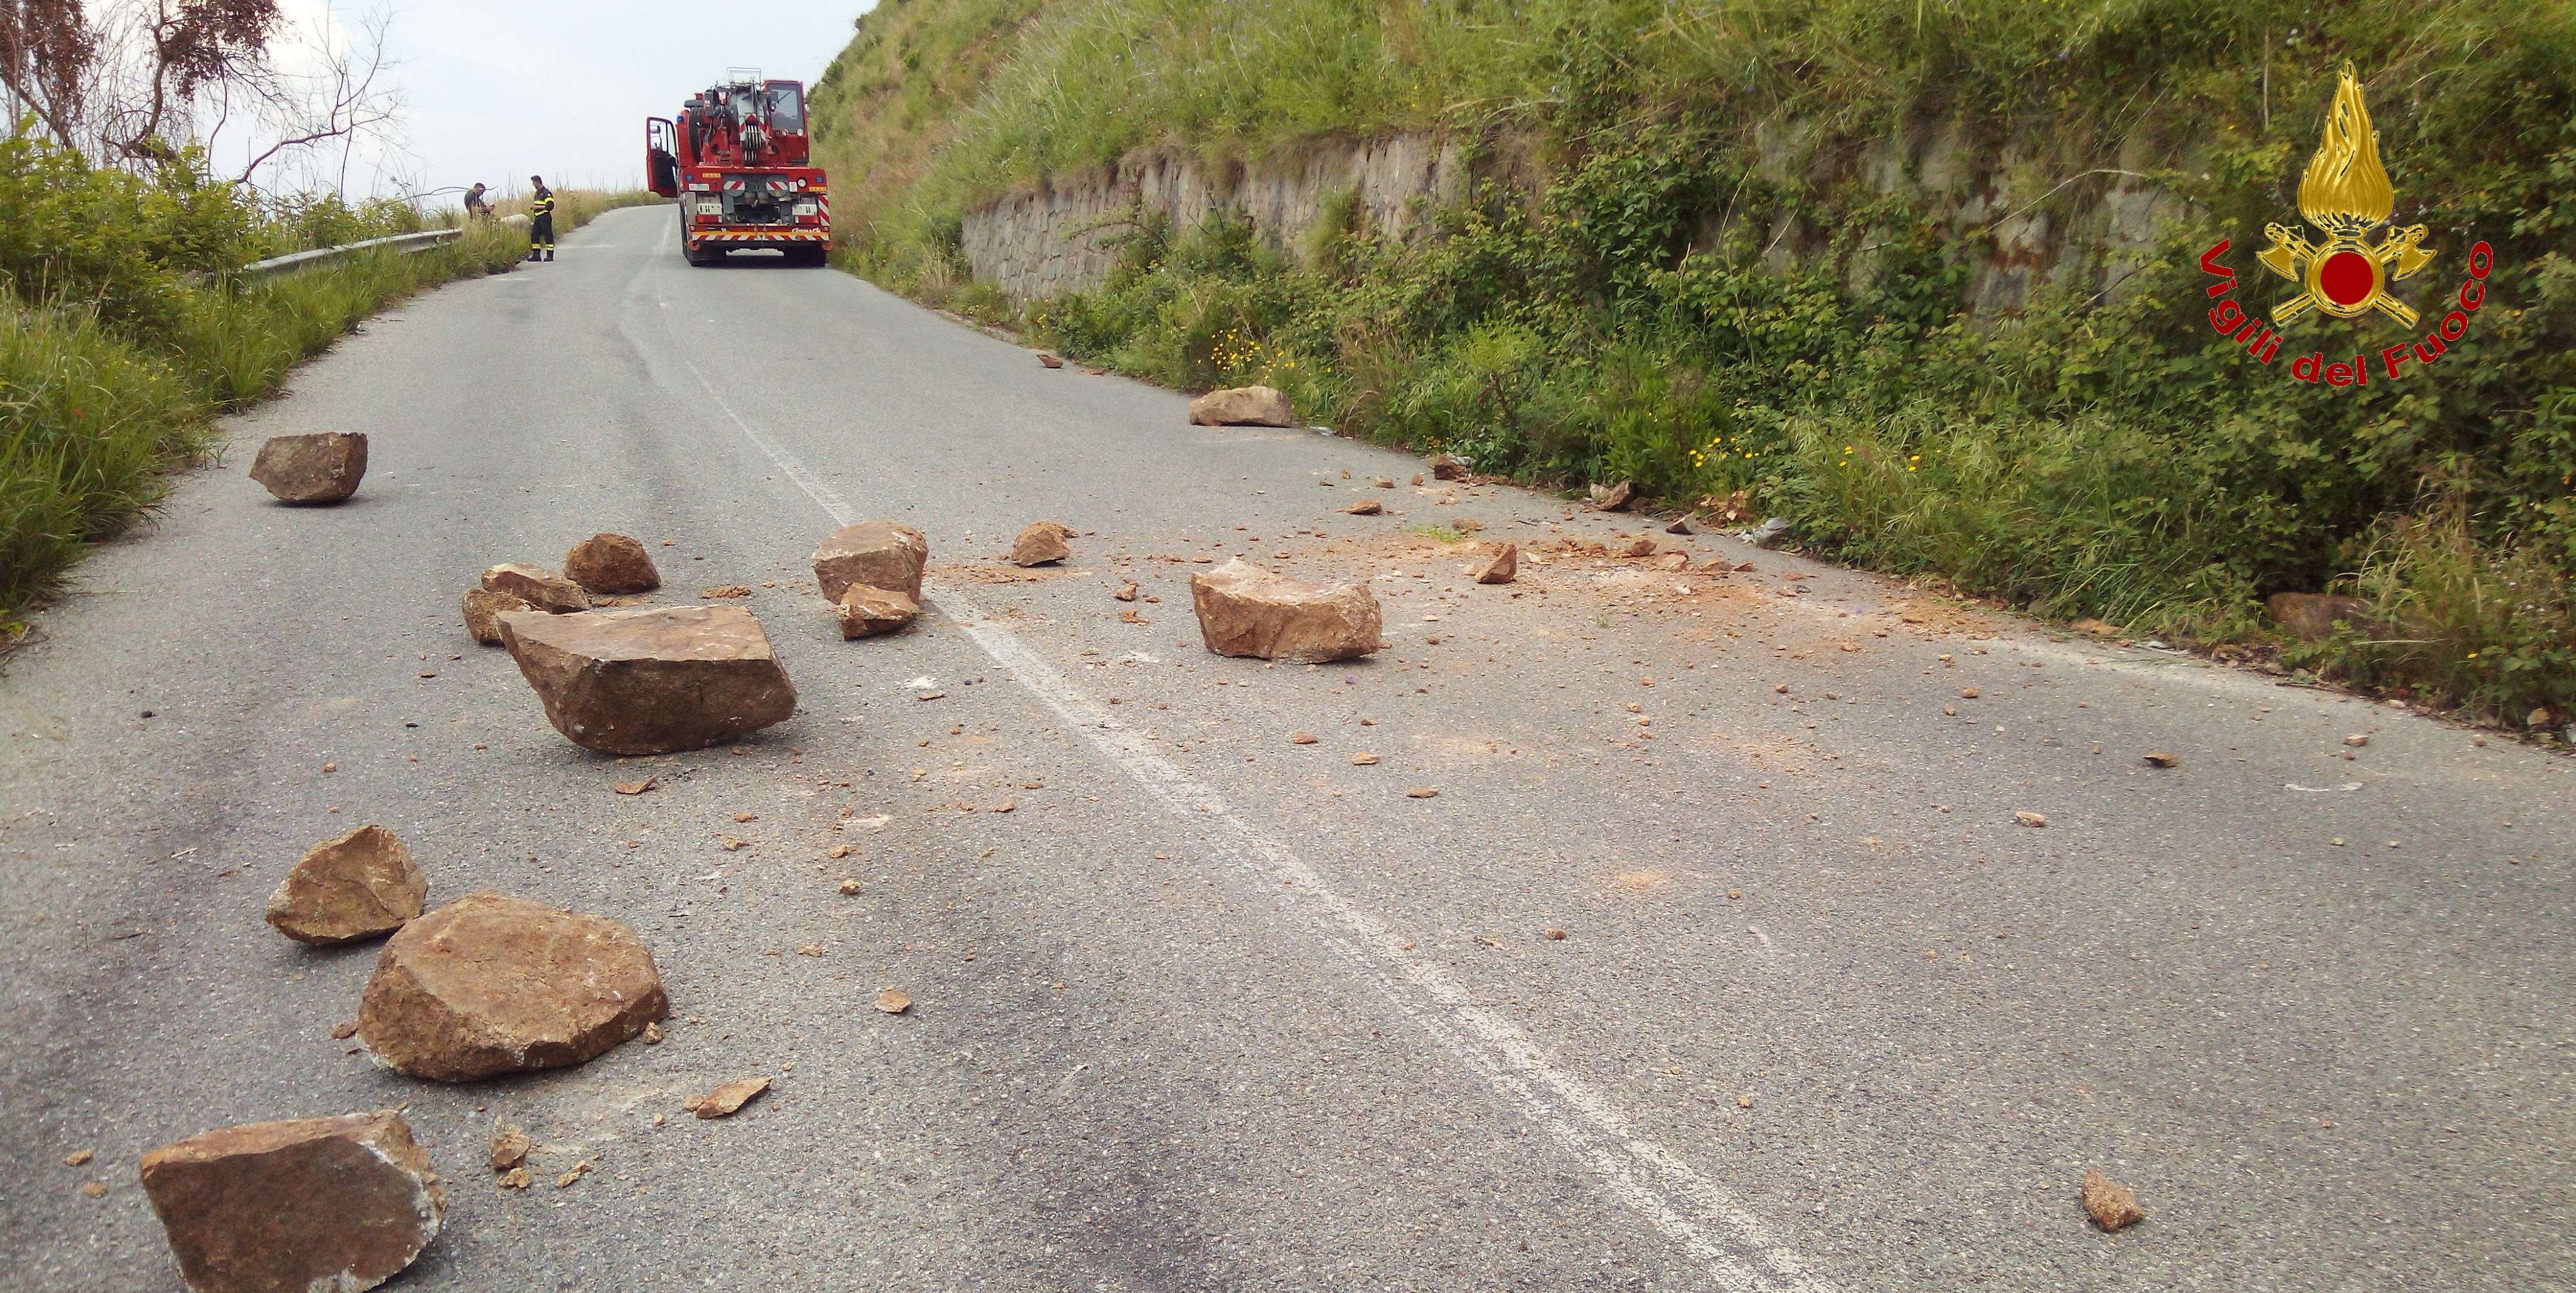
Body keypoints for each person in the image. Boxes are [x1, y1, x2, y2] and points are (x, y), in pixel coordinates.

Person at [526, 176, 555, 262]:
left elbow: (550, 206)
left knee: (548, 236)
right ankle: (536, 255)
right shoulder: (537, 194)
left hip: (545, 217)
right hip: (538, 217)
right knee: (534, 236)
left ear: (537, 182)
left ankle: (550, 256)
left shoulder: (546, 193)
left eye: (534, 183)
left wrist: (537, 207)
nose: (533, 185)